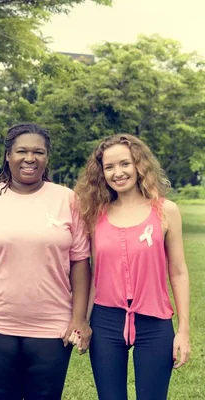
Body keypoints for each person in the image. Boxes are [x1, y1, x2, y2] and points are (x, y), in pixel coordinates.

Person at [0, 123, 91, 400]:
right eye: (21, 151)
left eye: (38, 152)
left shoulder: (67, 199)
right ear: (8, 155)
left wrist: (79, 319)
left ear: (47, 157)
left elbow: (80, 264)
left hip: (52, 327)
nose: (30, 158)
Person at [74, 134, 190, 400]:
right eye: (109, 167)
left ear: (139, 165)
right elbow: (93, 274)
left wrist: (183, 332)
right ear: (101, 173)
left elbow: (179, 272)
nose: (118, 173)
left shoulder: (165, 211)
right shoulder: (95, 214)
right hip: (105, 321)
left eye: (125, 164)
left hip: (154, 321)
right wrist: (84, 321)